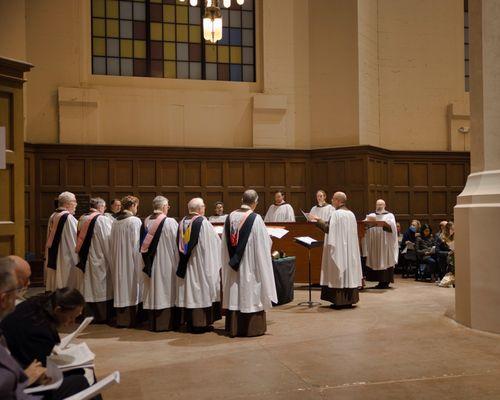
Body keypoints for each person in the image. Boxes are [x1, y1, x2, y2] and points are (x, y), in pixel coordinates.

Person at [0, 282, 91, 399]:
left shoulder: (38, 302)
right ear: (58, 310)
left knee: (79, 371)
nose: (72, 323)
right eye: (71, 317)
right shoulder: (40, 331)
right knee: (80, 379)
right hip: (22, 381)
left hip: (19, 368)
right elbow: (40, 371)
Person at [221, 190, 277, 337]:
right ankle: (251, 328)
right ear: (255, 202)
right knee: (249, 291)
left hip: (233, 263)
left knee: (235, 291)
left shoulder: (229, 217)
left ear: (242, 200)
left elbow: (224, 243)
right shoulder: (255, 218)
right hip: (249, 265)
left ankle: (234, 327)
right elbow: (263, 244)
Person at [176, 198, 221, 333]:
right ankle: (201, 323)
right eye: (204, 206)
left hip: (186, 264)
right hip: (200, 265)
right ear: (200, 208)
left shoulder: (182, 222)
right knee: (200, 293)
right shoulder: (203, 223)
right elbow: (214, 245)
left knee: (190, 292)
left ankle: (190, 322)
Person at [310, 192, 363, 308]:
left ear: (339, 201)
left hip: (339, 250)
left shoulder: (336, 214)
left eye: (333, 199)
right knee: (347, 273)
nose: (332, 200)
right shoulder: (351, 214)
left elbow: (329, 228)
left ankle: (339, 301)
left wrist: (317, 220)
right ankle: (348, 300)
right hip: (349, 251)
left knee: (337, 273)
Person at [141, 196, 179, 332]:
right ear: (163, 207)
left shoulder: (145, 221)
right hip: (166, 263)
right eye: (167, 206)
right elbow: (177, 245)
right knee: (165, 292)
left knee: (153, 291)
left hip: (150, 264)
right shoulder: (169, 222)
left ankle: (153, 323)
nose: (168, 209)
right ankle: (166, 323)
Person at [76, 197, 113, 323]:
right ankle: (100, 316)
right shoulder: (101, 220)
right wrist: (112, 259)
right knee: (99, 288)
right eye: (104, 207)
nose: (105, 209)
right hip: (99, 257)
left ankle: (88, 314)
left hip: (85, 257)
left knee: (89, 287)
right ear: (100, 207)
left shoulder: (82, 218)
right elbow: (107, 241)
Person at [109, 195, 143, 328]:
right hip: (130, 261)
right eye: (136, 206)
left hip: (118, 259)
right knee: (131, 287)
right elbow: (137, 244)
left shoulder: (115, 221)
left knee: (122, 287)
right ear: (133, 205)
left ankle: (122, 319)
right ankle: (132, 319)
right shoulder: (134, 221)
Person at [45, 192, 79, 292]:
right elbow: (75, 240)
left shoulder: (54, 215)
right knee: (66, 285)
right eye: (74, 201)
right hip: (65, 257)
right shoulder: (68, 218)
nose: (76, 204)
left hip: (55, 255)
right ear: (67, 204)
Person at [364, 199, 399, 289]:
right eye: (377, 204)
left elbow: (393, 229)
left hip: (385, 243)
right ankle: (378, 280)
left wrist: (386, 225)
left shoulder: (389, 215)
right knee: (376, 259)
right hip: (375, 242)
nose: (379, 206)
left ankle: (385, 281)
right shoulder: (372, 215)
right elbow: (365, 225)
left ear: (385, 205)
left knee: (385, 259)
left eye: (381, 204)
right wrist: (367, 223)